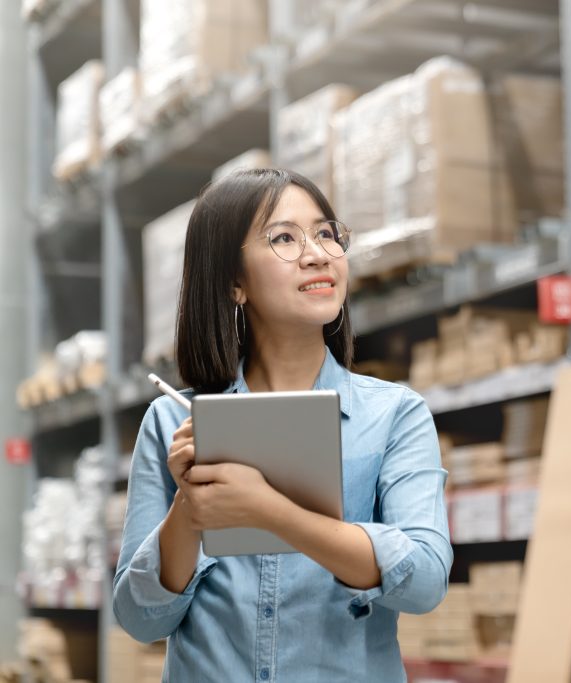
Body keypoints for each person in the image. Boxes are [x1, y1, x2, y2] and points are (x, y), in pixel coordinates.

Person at [113, 169, 453, 682]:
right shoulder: (171, 423)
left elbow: (425, 580)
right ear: (234, 282)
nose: (317, 253)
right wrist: (191, 502)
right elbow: (140, 619)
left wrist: (267, 509)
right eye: (284, 238)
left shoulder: (393, 416)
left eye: (325, 234)